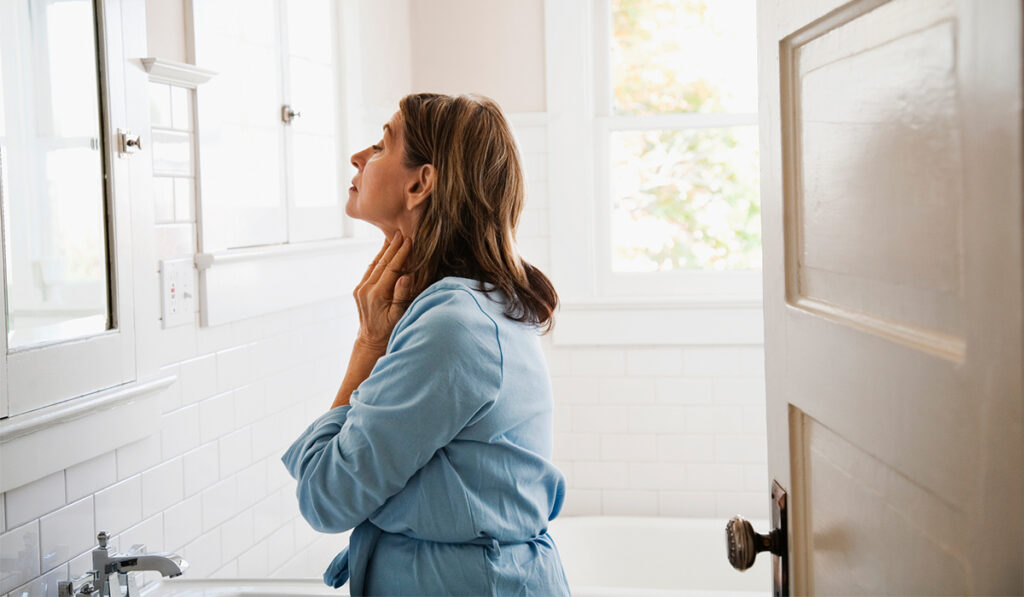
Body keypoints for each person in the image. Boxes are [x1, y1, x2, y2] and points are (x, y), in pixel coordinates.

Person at [282, 93, 571, 596]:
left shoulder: (453, 327)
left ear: (420, 183)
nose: (357, 157)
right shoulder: (475, 305)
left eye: (380, 145)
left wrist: (369, 345)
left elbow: (327, 496)